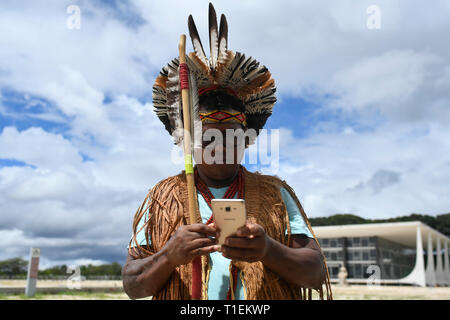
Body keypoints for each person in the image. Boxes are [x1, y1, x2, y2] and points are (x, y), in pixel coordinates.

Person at [122, 3, 332, 300]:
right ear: (188, 142)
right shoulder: (161, 198)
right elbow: (133, 286)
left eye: (232, 138)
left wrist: (268, 250)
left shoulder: (276, 194)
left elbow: (315, 274)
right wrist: (170, 255)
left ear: (247, 140)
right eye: (207, 139)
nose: (219, 148)